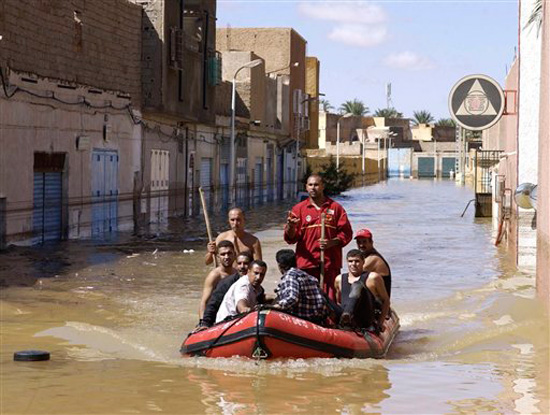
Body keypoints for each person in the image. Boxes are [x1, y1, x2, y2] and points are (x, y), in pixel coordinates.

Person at [284, 174, 353, 300]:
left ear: (323, 187)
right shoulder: (298, 209)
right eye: (310, 185)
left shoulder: (335, 208)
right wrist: (291, 227)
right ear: (306, 187)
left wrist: (331, 242)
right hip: (306, 264)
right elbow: (291, 239)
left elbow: (347, 233)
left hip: (329, 263)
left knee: (330, 299)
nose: (313, 188)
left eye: (316, 185)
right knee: (307, 299)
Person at [334, 249, 389, 332]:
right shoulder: (339, 279)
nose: (353, 264)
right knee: (322, 294)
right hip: (344, 320)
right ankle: (345, 318)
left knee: (357, 285)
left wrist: (380, 323)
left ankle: (348, 315)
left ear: (363, 262)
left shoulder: (373, 278)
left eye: (357, 261)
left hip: (364, 319)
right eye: (350, 261)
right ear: (347, 262)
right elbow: (338, 302)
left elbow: (386, 301)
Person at [197, 251, 254, 329]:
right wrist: (205, 323)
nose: (242, 266)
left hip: (241, 321)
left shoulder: (254, 282)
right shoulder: (227, 283)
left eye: (246, 263)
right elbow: (213, 303)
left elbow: (259, 296)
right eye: (239, 263)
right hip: (225, 323)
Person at [272, 249, 329, 324]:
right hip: (317, 317)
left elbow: (292, 298)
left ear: (280, 265)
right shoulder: (305, 275)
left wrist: (274, 307)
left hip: (302, 319)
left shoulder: (289, 276)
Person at [198, 240, 237, 320]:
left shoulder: (237, 274)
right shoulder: (214, 276)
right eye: (223, 254)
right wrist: (202, 322)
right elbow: (204, 302)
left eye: (229, 253)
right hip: (217, 315)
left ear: (235, 255)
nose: (226, 257)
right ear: (218, 256)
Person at [355, 229, 392, 297]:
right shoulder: (366, 256)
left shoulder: (374, 258)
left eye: (364, 242)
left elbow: (354, 275)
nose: (361, 245)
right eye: (359, 242)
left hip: (379, 303)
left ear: (371, 242)